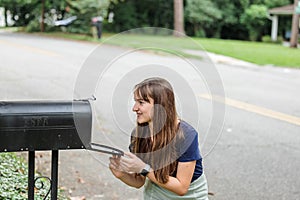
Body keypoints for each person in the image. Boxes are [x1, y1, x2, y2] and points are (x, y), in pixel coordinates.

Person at [109, 77, 209, 199]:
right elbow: (139, 182)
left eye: (141, 102)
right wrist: (121, 174)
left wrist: (143, 168)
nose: (134, 108)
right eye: (135, 102)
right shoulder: (139, 134)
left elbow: (181, 187)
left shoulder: (186, 135)